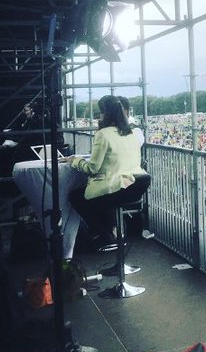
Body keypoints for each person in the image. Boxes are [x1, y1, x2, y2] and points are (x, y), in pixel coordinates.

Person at [64, 95, 149, 249]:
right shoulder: (131, 133)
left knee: (76, 197)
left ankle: (106, 235)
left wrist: (74, 160)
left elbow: (92, 169)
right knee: (100, 198)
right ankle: (110, 233)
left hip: (116, 188)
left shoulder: (103, 134)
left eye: (101, 112)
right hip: (135, 185)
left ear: (106, 114)